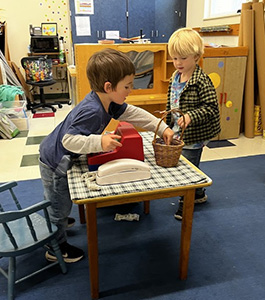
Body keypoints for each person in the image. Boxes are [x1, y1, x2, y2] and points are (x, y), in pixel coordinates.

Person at [39, 48, 174, 263]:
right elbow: (69, 140)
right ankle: (55, 245)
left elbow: (135, 114)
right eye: (127, 86)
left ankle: (60, 219)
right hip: (55, 160)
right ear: (109, 87)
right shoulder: (93, 109)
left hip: (61, 155)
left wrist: (163, 128)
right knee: (58, 203)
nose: (131, 90)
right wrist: (99, 142)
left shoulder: (108, 101)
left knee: (60, 202)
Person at [165, 28, 221, 221]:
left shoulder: (201, 81)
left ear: (196, 56)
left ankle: (185, 203)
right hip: (178, 130)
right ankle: (198, 194)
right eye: (174, 58)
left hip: (195, 134)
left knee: (187, 169)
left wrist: (190, 116)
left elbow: (211, 108)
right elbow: (171, 100)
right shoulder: (175, 76)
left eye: (182, 58)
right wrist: (167, 124)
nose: (178, 63)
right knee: (185, 165)